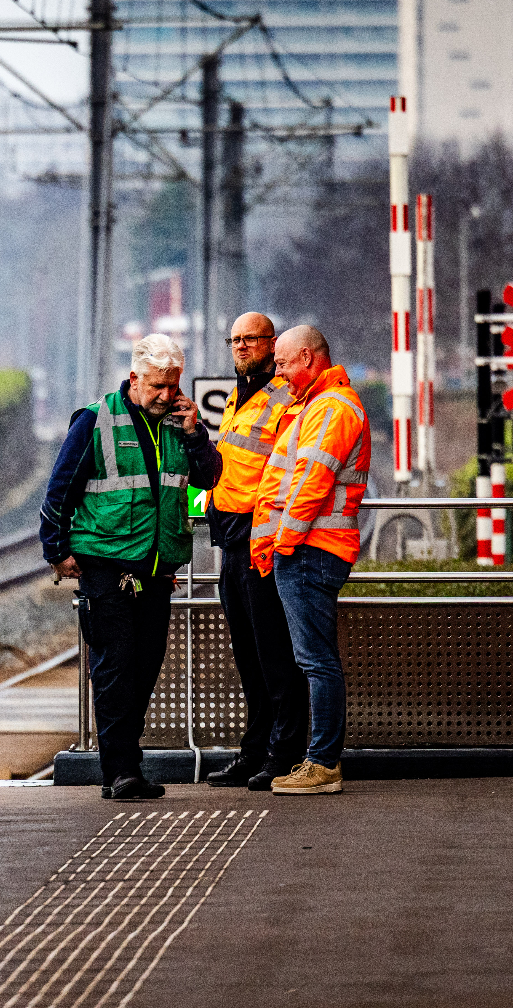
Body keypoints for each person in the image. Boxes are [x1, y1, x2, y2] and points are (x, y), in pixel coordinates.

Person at [42, 334, 222, 800]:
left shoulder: (178, 426)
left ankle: (128, 765)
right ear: (135, 377)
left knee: (145, 667)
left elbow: (209, 481)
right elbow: (60, 489)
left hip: (157, 570)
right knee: (115, 668)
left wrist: (197, 434)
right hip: (107, 566)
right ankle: (119, 770)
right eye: (158, 385)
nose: (166, 395)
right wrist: (57, 550)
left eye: (173, 385)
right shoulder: (95, 420)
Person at [252, 325, 369, 796]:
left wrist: (284, 543)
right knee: (314, 659)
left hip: (310, 551)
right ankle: (319, 760)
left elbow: (310, 481)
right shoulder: (315, 406)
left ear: (306, 358)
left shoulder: (331, 408)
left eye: (281, 362)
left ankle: (322, 763)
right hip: (309, 549)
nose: (276, 370)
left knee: (317, 661)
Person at [203, 313, 308, 791]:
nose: (242, 346)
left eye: (252, 339)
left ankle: (284, 754)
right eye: (236, 340)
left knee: (274, 652)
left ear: (273, 344)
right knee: (247, 652)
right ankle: (254, 751)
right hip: (231, 536)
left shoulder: (284, 396)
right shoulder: (234, 397)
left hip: (262, 536)